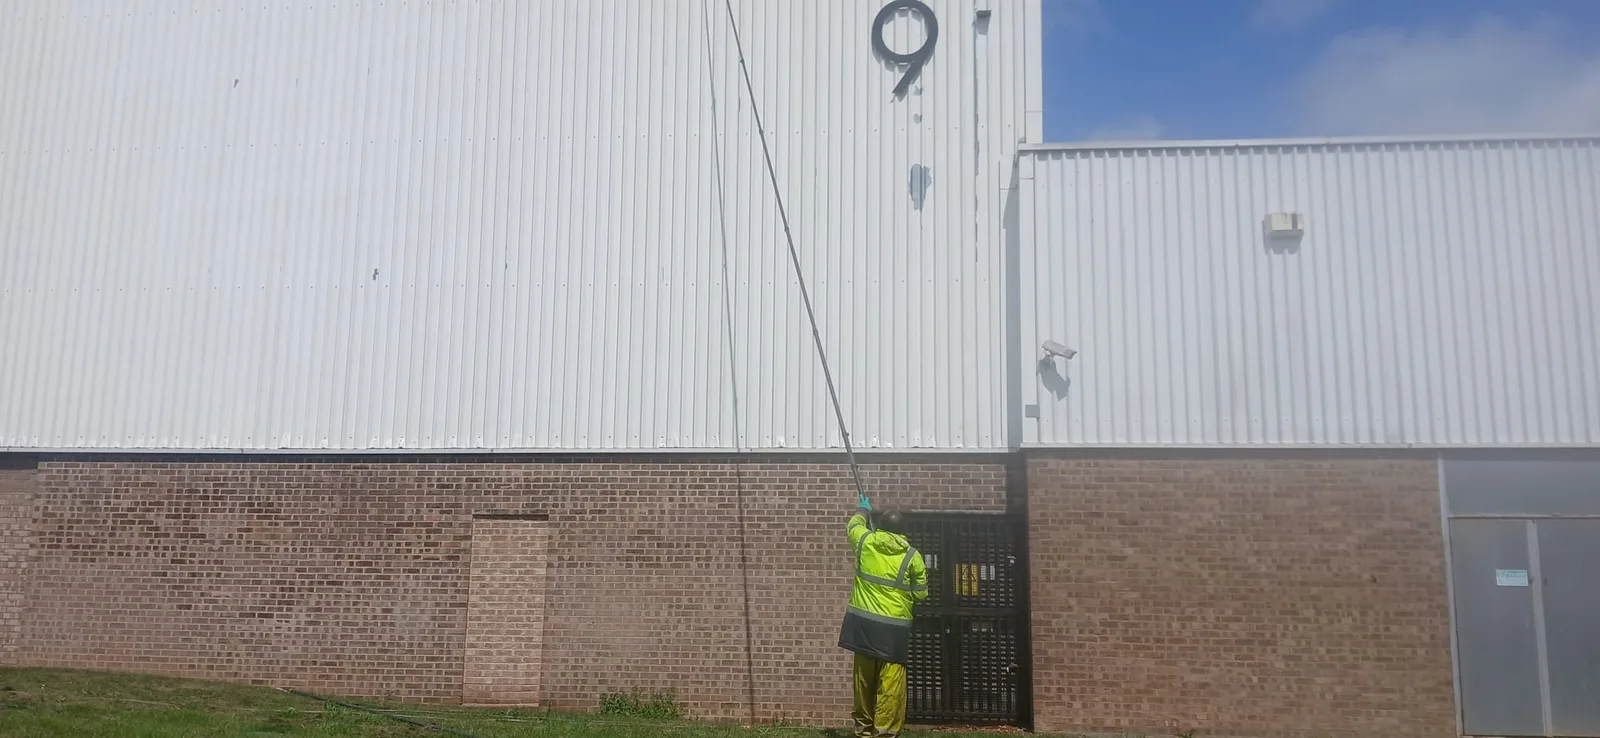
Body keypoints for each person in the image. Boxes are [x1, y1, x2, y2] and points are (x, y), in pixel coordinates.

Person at [837, 499, 928, 738]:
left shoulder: (866, 542)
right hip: (894, 631)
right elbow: (921, 593)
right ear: (903, 532)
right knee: (891, 686)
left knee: (863, 682)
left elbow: (853, 525)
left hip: (863, 626)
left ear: (880, 526)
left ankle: (863, 731)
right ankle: (885, 733)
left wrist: (863, 509)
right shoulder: (913, 557)